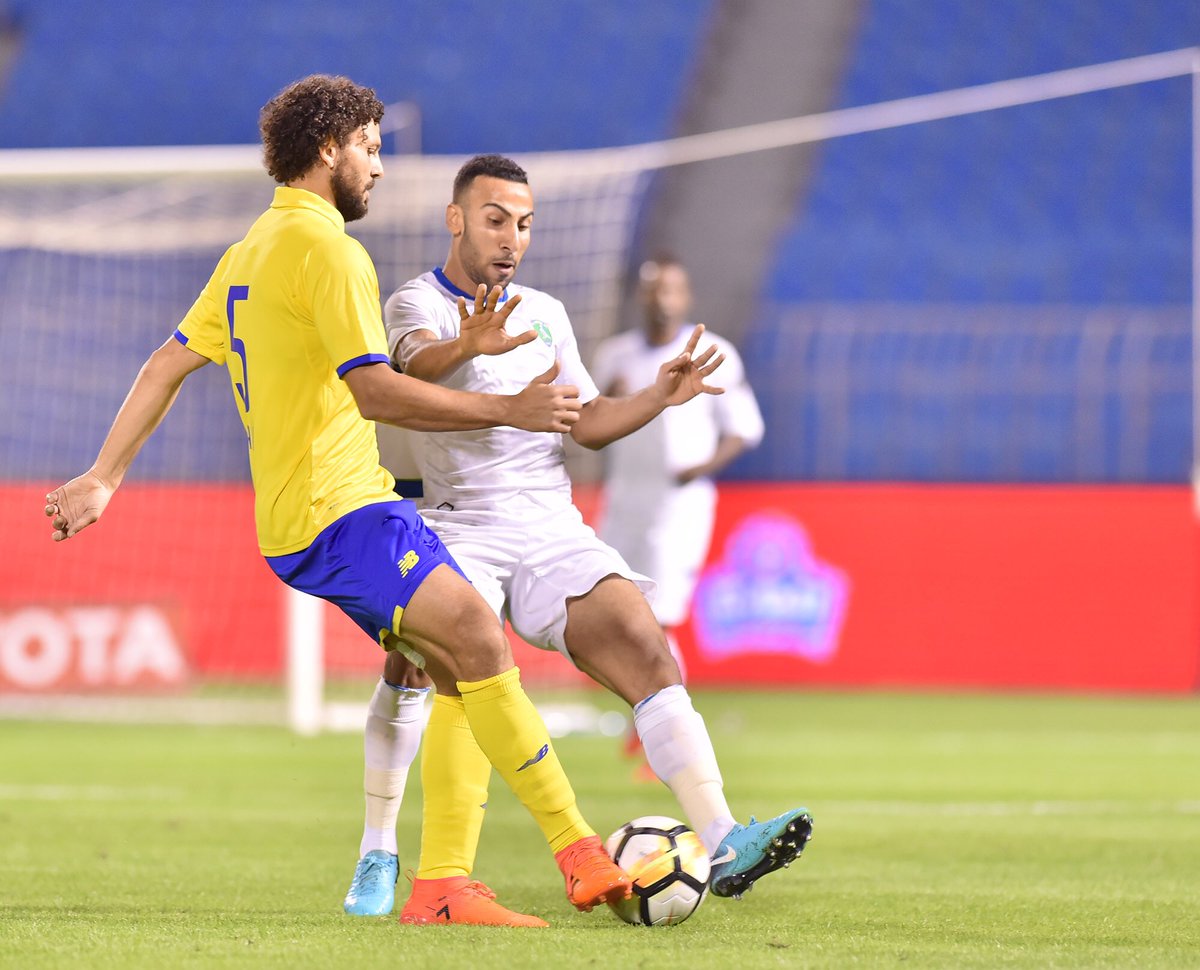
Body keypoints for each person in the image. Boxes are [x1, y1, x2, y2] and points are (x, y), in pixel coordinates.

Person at [42, 76, 632, 926]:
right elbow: (378, 394)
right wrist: (510, 407)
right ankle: (576, 853)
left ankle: (440, 884)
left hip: (302, 520)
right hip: (343, 511)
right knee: (472, 632)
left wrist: (105, 475)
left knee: (454, 659)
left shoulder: (252, 248)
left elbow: (166, 363)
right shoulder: (329, 253)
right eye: (371, 148)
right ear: (330, 150)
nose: (379, 169)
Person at [340, 153, 812, 924]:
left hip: (549, 527)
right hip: (458, 525)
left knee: (647, 644)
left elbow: (586, 422)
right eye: (495, 218)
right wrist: (471, 348)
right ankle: (379, 847)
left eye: (524, 224)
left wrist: (656, 396)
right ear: (456, 218)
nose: (511, 238)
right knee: (418, 671)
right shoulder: (415, 301)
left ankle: (724, 836)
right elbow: (410, 370)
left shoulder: (545, 311)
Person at [590, 256, 765, 771]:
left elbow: (744, 429)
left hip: (679, 504)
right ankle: (645, 723)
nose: (660, 299)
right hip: (625, 499)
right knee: (620, 617)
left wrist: (699, 469)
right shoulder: (614, 356)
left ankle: (666, 737)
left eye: (669, 290)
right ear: (639, 296)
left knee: (659, 618)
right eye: (651, 290)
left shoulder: (716, 355)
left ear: (684, 297)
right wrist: (610, 402)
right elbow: (593, 429)